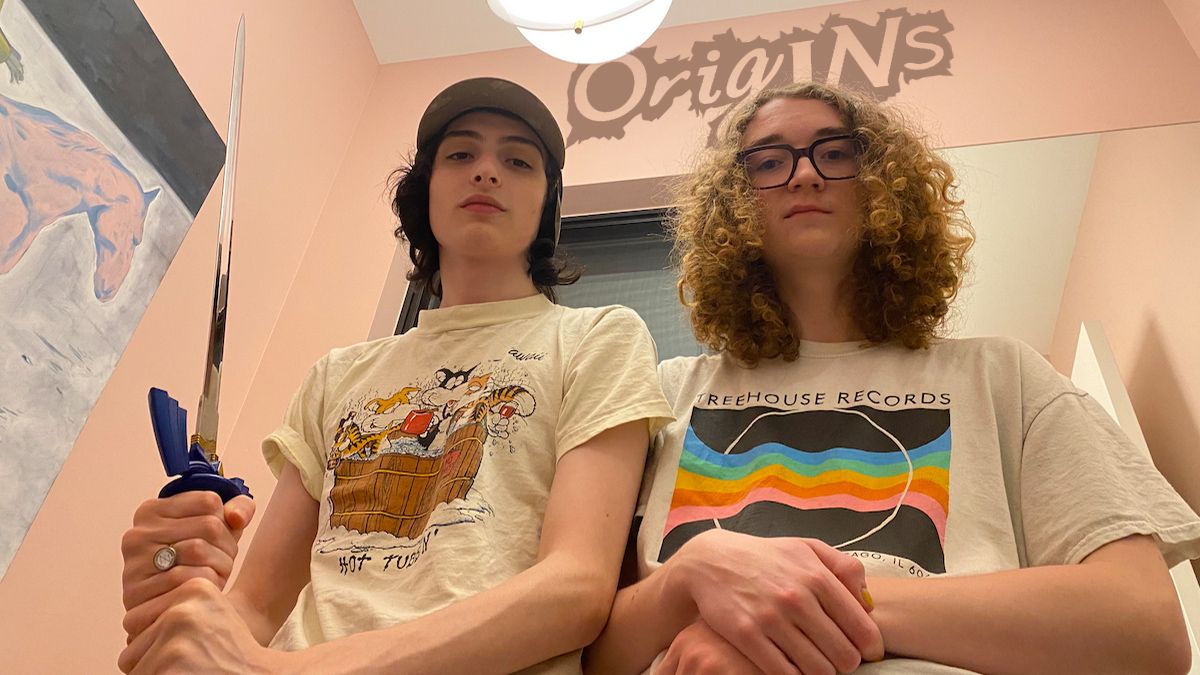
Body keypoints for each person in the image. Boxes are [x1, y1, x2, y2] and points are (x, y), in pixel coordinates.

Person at [584, 81, 1200, 675]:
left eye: (836, 153)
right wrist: (692, 574)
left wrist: (783, 614)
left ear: (885, 182)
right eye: (768, 162)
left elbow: (1145, 628)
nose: (805, 174)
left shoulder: (1003, 376)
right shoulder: (665, 392)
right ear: (733, 205)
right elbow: (585, 653)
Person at [118, 77, 673, 674]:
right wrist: (177, 590)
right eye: (460, 154)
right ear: (424, 190)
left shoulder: (599, 338)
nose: (486, 171)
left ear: (547, 206)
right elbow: (255, 609)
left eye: (518, 161)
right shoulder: (337, 375)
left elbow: (575, 590)